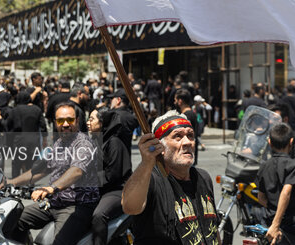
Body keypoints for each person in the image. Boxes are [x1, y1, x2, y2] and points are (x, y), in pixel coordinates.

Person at [7, 103, 100, 245]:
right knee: (12, 220)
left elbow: (76, 171)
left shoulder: (83, 144)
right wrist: (10, 182)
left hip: (76, 206)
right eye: (60, 120)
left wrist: (51, 188)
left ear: (77, 121)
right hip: (54, 203)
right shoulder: (59, 143)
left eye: (70, 119)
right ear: (55, 123)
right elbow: (41, 171)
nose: (65, 124)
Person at [122, 111, 220, 245]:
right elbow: (130, 207)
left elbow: (213, 230)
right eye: (178, 136)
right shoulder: (150, 180)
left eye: (190, 136)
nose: (187, 142)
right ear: (160, 146)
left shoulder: (203, 178)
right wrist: (146, 163)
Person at [88, 108, 132, 245]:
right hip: (101, 188)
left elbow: (113, 174)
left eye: (91, 119)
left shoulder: (114, 143)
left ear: (102, 123)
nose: (88, 122)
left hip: (118, 190)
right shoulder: (97, 141)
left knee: (99, 215)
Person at [5, 91, 47, 177]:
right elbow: (43, 126)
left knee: (16, 165)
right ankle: (30, 186)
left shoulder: (15, 110)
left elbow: (8, 126)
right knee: (31, 166)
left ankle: (15, 185)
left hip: (18, 142)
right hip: (34, 142)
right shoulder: (37, 109)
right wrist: (44, 140)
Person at [110, 89, 139, 153]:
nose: (111, 101)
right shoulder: (131, 117)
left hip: (110, 156)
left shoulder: (110, 116)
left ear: (118, 100)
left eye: (112, 99)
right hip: (126, 156)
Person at [175, 88, 199, 164]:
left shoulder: (185, 116)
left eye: (175, 100)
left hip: (187, 153)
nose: (174, 102)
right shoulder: (192, 113)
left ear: (180, 101)